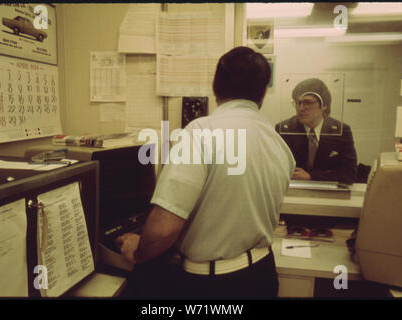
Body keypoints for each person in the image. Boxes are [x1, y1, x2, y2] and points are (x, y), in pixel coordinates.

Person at [115, 46, 295, 299]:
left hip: (214, 286)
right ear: (263, 93)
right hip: (262, 276)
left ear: (215, 85)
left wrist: (139, 250)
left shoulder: (201, 132)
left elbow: (164, 229)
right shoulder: (279, 144)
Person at [275, 78, 357, 185]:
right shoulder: (284, 129)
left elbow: (349, 175)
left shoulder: (341, 131)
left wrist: (311, 176)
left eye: (307, 103)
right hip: (293, 193)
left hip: (328, 196)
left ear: (324, 105)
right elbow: (277, 171)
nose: (301, 108)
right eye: (297, 102)